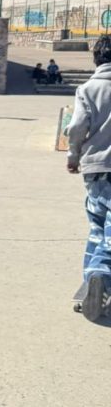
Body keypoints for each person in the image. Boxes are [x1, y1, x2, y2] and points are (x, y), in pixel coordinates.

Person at [66, 34, 111, 322]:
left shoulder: (88, 88)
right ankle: (100, 276)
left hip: (95, 168)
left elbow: (77, 127)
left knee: (97, 227)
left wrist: (73, 157)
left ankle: (89, 289)